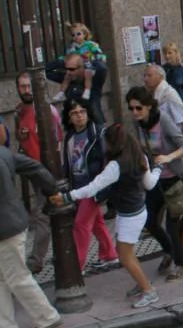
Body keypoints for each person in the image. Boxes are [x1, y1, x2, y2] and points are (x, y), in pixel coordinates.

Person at [52, 123, 163, 308]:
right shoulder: (139, 156)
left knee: (125, 256)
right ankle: (142, 282)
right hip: (136, 211)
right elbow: (149, 184)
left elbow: (92, 188)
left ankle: (149, 291)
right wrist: (158, 169)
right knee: (125, 252)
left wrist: (66, 197)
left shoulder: (115, 166)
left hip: (129, 216)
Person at [128, 86, 183, 282]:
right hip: (156, 179)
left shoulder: (163, 120)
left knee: (173, 225)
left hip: (175, 177)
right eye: (131, 108)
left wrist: (168, 157)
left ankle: (181, 266)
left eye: (138, 108)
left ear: (149, 106)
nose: (134, 112)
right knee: (149, 221)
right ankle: (169, 251)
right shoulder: (139, 124)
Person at [0, 145, 63, 328]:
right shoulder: (3, 152)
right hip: (13, 222)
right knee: (3, 278)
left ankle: (47, 317)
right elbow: (35, 168)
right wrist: (51, 189)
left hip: (5, 228)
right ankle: (5, 327)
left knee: (17, 277)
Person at [60, 98, 117, 272]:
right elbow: (68, 163)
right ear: (69, 117)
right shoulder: (69, 137)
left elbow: (106, 160)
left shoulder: (98, 133)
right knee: (97, 223)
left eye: (82, 111)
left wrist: (103, 186)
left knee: (81, 224)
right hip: (77, 187)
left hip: (93, 187)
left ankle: (77, 266)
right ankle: (109, 255)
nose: (79, 116)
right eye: (74, 113)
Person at [14, 72, 62, 274]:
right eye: (22, 86)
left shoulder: (47, 111)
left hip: (46, 171)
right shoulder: (19, 112)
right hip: (33, 172)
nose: (26, 90)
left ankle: (36, 261)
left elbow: (58, 141)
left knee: (41, 214)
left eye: (29, 86)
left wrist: (54, 172)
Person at [163, 42, 183, 113]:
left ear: (176, 53)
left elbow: (178, 81)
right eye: (165, 53)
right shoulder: (163, 69)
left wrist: (178, 64)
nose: (167, 56)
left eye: (170, 53)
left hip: (180, 103)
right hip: (167, 103)